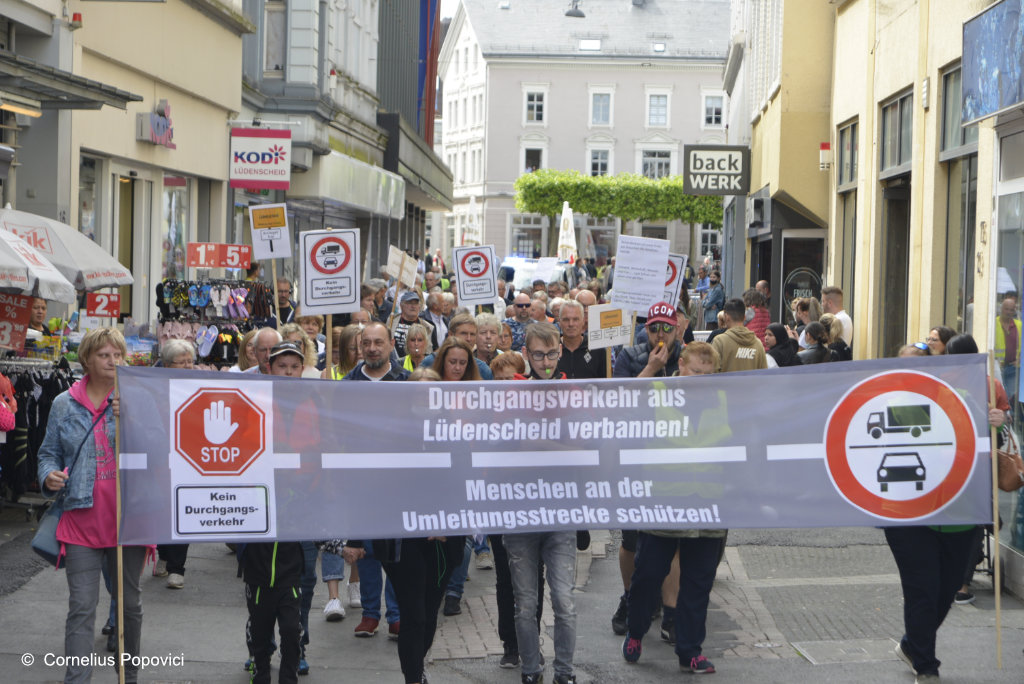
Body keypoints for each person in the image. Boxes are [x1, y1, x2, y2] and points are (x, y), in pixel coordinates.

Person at [887, 333, 1004, 684]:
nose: (916, 372)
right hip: (908, 515)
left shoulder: (963, 398)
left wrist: (994, 422)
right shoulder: (888, 403)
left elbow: (985, 448)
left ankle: (912, 643)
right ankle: (926, 663)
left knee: (946, 590)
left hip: (959, 513)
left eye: (923, 365)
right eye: (907, 366)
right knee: (922, 589)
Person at [38, 328, 147, 683]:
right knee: (82, 608)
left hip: (128, 520)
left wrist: (130, 415)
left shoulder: (137, 398)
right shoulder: (62, 404)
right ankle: (76, 679)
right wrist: (48, 475)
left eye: (118, 354)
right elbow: (48, 453)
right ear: (87, 359)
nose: (113, 361)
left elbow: (158, 448)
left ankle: (128, 675)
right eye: (104, 355)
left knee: (129, 605)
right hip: (81, 520)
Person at [621, 345, 724, 675]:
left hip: (709, 505)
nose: (702, 380)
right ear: (681, 365)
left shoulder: (724, 399)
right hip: (664, 503)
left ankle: (690, 651)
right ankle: (636, 631)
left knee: (697, 584)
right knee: (648, 575)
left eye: (708, 375)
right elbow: (623, 405)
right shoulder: (660, 393)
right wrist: (650, 369)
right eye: (696, 372)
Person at [506, 322, 578, 684]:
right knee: (526, 604)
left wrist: (539, 445)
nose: (545, 361)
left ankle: (564, 673)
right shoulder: (512, 394)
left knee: (564, 602)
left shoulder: (573, 393)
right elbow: (509, 446)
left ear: (560, 352)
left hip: (561, 511)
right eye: (538, 354)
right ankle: (531, 671)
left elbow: (585, 450)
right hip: (520, 512)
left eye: (551, 354)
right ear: (526, 355)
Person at [344, 322, 405, 639]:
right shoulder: (347, 383)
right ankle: (370, 614)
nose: (372, 348)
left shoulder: (406, 382)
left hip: (397, 481)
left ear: (391, 343)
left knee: (394, 551)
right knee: (363, 550)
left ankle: (396, 614)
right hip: (360, 480)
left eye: (378, 342)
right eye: (366, 342)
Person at [154, 339, 197, 590]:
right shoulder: (154, 385)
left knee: (184, 507)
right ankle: (163, 554)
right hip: (160, 455)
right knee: (161, 507)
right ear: (168, 365)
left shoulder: (199, 383)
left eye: (190, 361)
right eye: (182, 362)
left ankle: (177, 568)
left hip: (189, 456)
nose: (188, 366)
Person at [712, 298, 768, 373]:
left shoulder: (720, 341)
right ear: (744, 317)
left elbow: (713, 372)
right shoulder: (758, 344)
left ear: (726, 317)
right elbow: (764, 374)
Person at [556, 300, 606, 379]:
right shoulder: (551, 348)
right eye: (566, 320)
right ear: (559, 322)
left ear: (583, 321)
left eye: (575, 319)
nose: (571, 324)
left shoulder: (596, 348)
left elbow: (605, 385)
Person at [995, 295, 1021, 403]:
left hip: (1013, 368)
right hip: (997, 368)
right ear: (1001, 308)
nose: (1009, 312)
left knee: (1011, 398)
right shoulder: (993, 323)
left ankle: (1011, 419)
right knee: (999, 397)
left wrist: (1021, 360)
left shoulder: (1019, 325)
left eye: (1011, 310)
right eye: (1006, 309)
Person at [391, 291, 431, 358]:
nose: (413, 306)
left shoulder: (428, 327)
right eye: (409, 303)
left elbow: (431, 351)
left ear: (419, 306)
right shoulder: (391, 322)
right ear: (401, 305)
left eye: (415, 303)